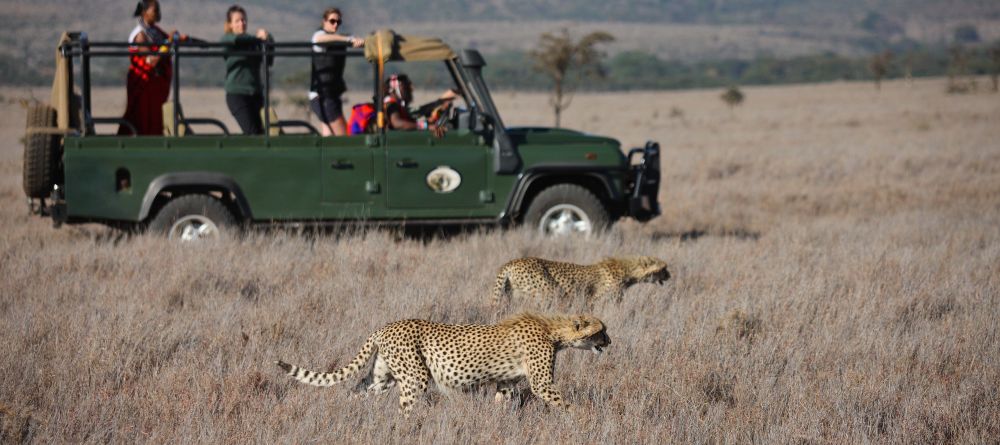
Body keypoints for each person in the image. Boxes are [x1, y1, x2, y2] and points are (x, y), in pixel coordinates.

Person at [119, 0, 187, 136]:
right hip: (144, 84)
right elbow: (151, 60)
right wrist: (168, 44)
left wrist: (175, 38)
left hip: (155, 86)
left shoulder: (154, 31)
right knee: (141, 117)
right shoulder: (140, 35)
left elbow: (167, 41)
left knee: (155, 117)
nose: (158, 13)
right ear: (145, 12)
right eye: (155, 10)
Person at [309, 7, 364, 136]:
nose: (335, 25)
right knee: (343, 137)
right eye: (332, 21)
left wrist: (356, 41)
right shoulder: (319, 35)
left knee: (328, 137)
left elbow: (350, 39)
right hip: (323, 96)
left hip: (331, 94)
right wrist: (347, 40)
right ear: (324, 21)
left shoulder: (339, 38)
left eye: (338, 22)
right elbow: (318, 40)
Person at [221, 5, 271, 135]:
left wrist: (268, 39)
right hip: (237, 94)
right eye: (237, 21)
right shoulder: (228, 38)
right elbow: (238, 40)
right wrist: (259, 39)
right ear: (230, 24)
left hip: (256, 94)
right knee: (252, 133)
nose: (242, 23)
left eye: (243, 20)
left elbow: (269, 61)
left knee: (263, 133)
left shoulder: (253, 42)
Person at [383, 73, 458, 137]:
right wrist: (426, 126)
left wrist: (429, 122)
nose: (411, 89)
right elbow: (397, 123)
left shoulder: (398, 105)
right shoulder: (391, 105)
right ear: (394, 89)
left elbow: (415, 116)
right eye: (405, 86)